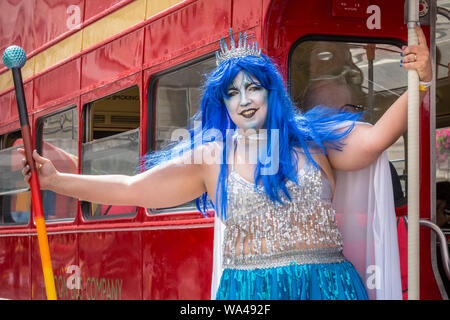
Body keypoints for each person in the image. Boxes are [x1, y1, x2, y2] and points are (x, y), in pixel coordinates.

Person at [19, 27, 432, 300]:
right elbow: (132, 189)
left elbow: (378, 139)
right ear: (223, 103)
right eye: (232, 93)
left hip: (325, 287)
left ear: (272, 93)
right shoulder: (211, 156)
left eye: (254, 87)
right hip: (250, 295)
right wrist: (57, 180)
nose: (245, 100)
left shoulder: (313, 139)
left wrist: (423, 80)